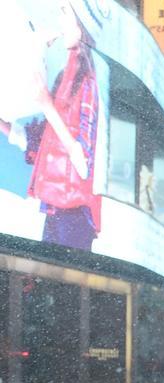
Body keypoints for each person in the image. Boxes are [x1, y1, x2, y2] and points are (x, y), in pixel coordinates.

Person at [27, 1, 102, 252]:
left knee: (60, 287)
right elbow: (44, 142)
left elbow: (83, 162)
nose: (60, 22)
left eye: (65, 15)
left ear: (81, 27)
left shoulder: (90, 82)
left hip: (74, 214)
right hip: (56, 205)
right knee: (43, 285)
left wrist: (47, 105)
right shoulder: (68, 75)